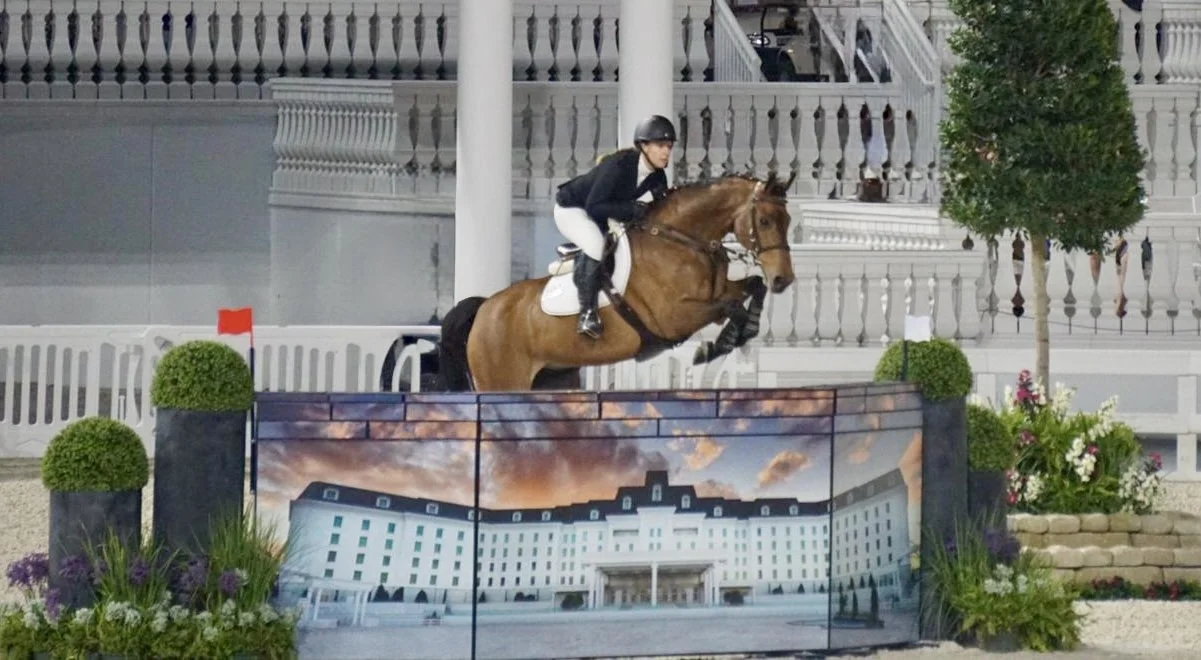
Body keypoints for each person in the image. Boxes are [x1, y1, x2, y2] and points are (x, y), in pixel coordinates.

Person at [552, 114, 676, 339]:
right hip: (573, 209)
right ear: (644, 146)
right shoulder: (619, 165)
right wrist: (631, 210)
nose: (666, 152)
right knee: (595, 244)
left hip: (602, 214)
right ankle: (587, 312)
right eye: (660, 145)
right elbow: (594, 206)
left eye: (668, 146)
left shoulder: (658, 178)